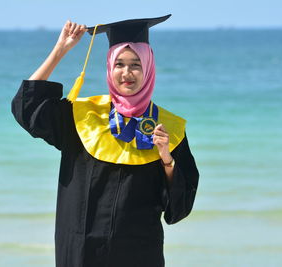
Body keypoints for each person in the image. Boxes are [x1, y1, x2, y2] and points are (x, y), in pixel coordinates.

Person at [11, 14, 199, 267]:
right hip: (81, 248)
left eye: (136, 64)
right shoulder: (83, 116)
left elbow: (179, 208)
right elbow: (28, 107)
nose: (127, 73)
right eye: (119, 64)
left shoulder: (169, 128)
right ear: (109, 68)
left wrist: (166, 157)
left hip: (139, 251)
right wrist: (60, 50)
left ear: (149, 67)